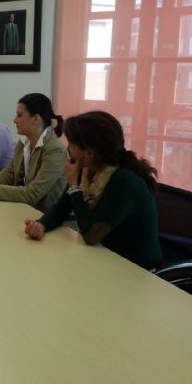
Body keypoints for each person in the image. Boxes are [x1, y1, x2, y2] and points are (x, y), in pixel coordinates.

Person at [24, 111, 163, 270]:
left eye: (72, 144)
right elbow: (62, 208)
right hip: (105, 256)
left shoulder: (124, 181)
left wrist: (74, 186)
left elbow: (91, 234)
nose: (68, 148)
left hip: (137, 269)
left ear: (90, 152)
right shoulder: (88, 170)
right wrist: (41, 225)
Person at [0, 93, 66, 213]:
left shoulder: (54, 150)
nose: (14, 120)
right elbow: (9, 174)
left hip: (44, 216)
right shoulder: (23, 143)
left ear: (35, 119)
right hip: (24, 210)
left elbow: (33, 193)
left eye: (19, 115)